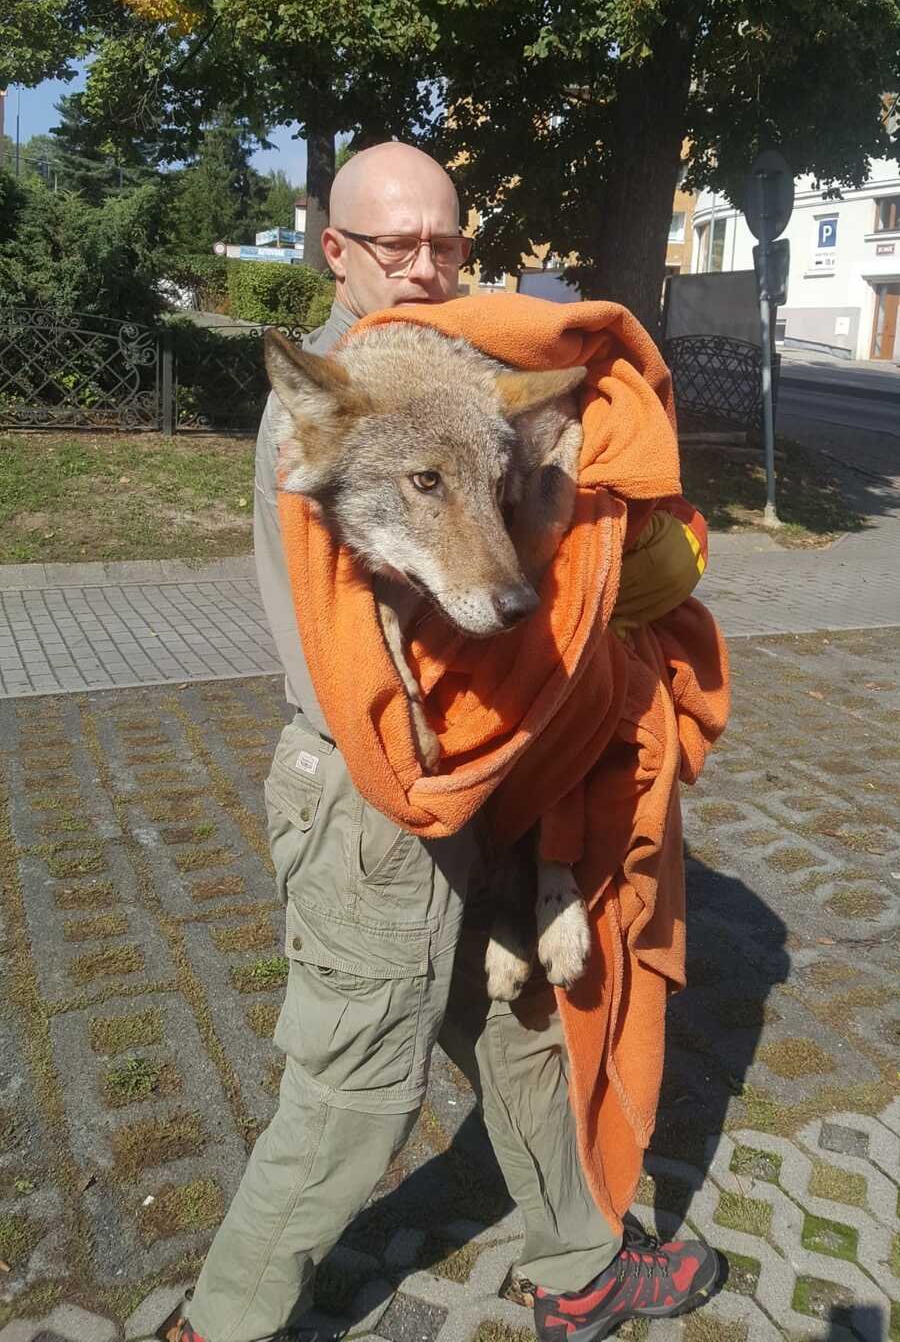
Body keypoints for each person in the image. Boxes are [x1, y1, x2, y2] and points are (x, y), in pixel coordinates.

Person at [170, 142, 721, 1342]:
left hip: (480, 782)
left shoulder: (452, 375)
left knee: (520, 1027)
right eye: (395, 244)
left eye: (448, 243)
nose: (427, 266)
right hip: (374, 799)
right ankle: (222, 1323)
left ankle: (578, 1266)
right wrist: (570, 574)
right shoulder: (329, 403)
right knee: (354, 1086)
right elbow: (459, 601)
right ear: (337, 251)